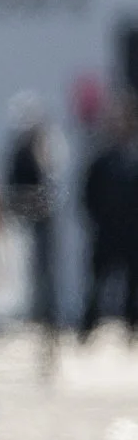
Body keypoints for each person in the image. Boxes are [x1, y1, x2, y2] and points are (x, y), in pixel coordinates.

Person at [3, 94, 62, 380]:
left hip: (43, 233)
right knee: (26, 290)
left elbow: (54, 193)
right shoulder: (18, 153)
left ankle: (49, 347)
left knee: (46, 290)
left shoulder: (49, 150)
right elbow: (12, 193)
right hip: (23, 232)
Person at [78, 97, 138, 344]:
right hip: (105, 232)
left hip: (132, 233)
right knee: (98, 282)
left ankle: (131, 327)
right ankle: (87, 329)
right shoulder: (101, 159)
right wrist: (96, 221)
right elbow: (86, 194)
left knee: (133, 284)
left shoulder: (134, 160)